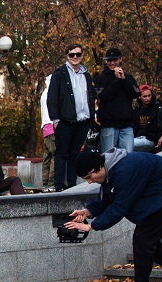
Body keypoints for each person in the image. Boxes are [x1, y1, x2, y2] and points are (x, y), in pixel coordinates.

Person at [66, 149, 162, 282]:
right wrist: (88, 211)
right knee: (149, 245)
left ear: (98, 168)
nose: (89, 182)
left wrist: (91, 227)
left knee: (142, 240)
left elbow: (120, 207)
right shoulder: (110, 169)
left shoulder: (124, 170)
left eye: (89, 177)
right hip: (157, 196)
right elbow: (107, 198)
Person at [47, 43, 95, 191]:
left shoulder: (86, 74)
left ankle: (72, 185)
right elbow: (52, 97)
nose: (75, 57)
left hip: (83, 120)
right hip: (65, 121)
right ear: (67, 56)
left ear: (82, 56)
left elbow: (90, 95)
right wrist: (55, 119)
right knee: (62, 153)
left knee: (75, 153)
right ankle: (60, 186)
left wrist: (92, 115)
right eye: (72, 54)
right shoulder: (60, 73)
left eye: (78, 54)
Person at [94, 48, 139, 153]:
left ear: (120, 59)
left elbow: (136, 93)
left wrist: (123, 79)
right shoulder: (100, 79)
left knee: (128, 157)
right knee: (108, 157)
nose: (112, 63)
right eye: (109, 60)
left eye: (115, 59)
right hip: (109, 124)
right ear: (106, 61)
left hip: (127, 125)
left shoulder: (128, 78)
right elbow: (104, 96)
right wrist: (117, 80)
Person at [132, 85, 162, 153]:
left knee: (127, 144)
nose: (147, 98)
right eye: (144, 96)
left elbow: (160, 126)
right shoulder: (137, 111)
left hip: (150, 140)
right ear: (140, 97)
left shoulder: (158, 108)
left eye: (149, 95)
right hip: (138, 138)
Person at [40, 74, 55, 185]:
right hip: (52, 125)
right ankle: (51, 180)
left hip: (45, 126)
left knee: (47, 155)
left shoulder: (44, 93)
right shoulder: (51, 92)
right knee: (55, 154)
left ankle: (45, 179)